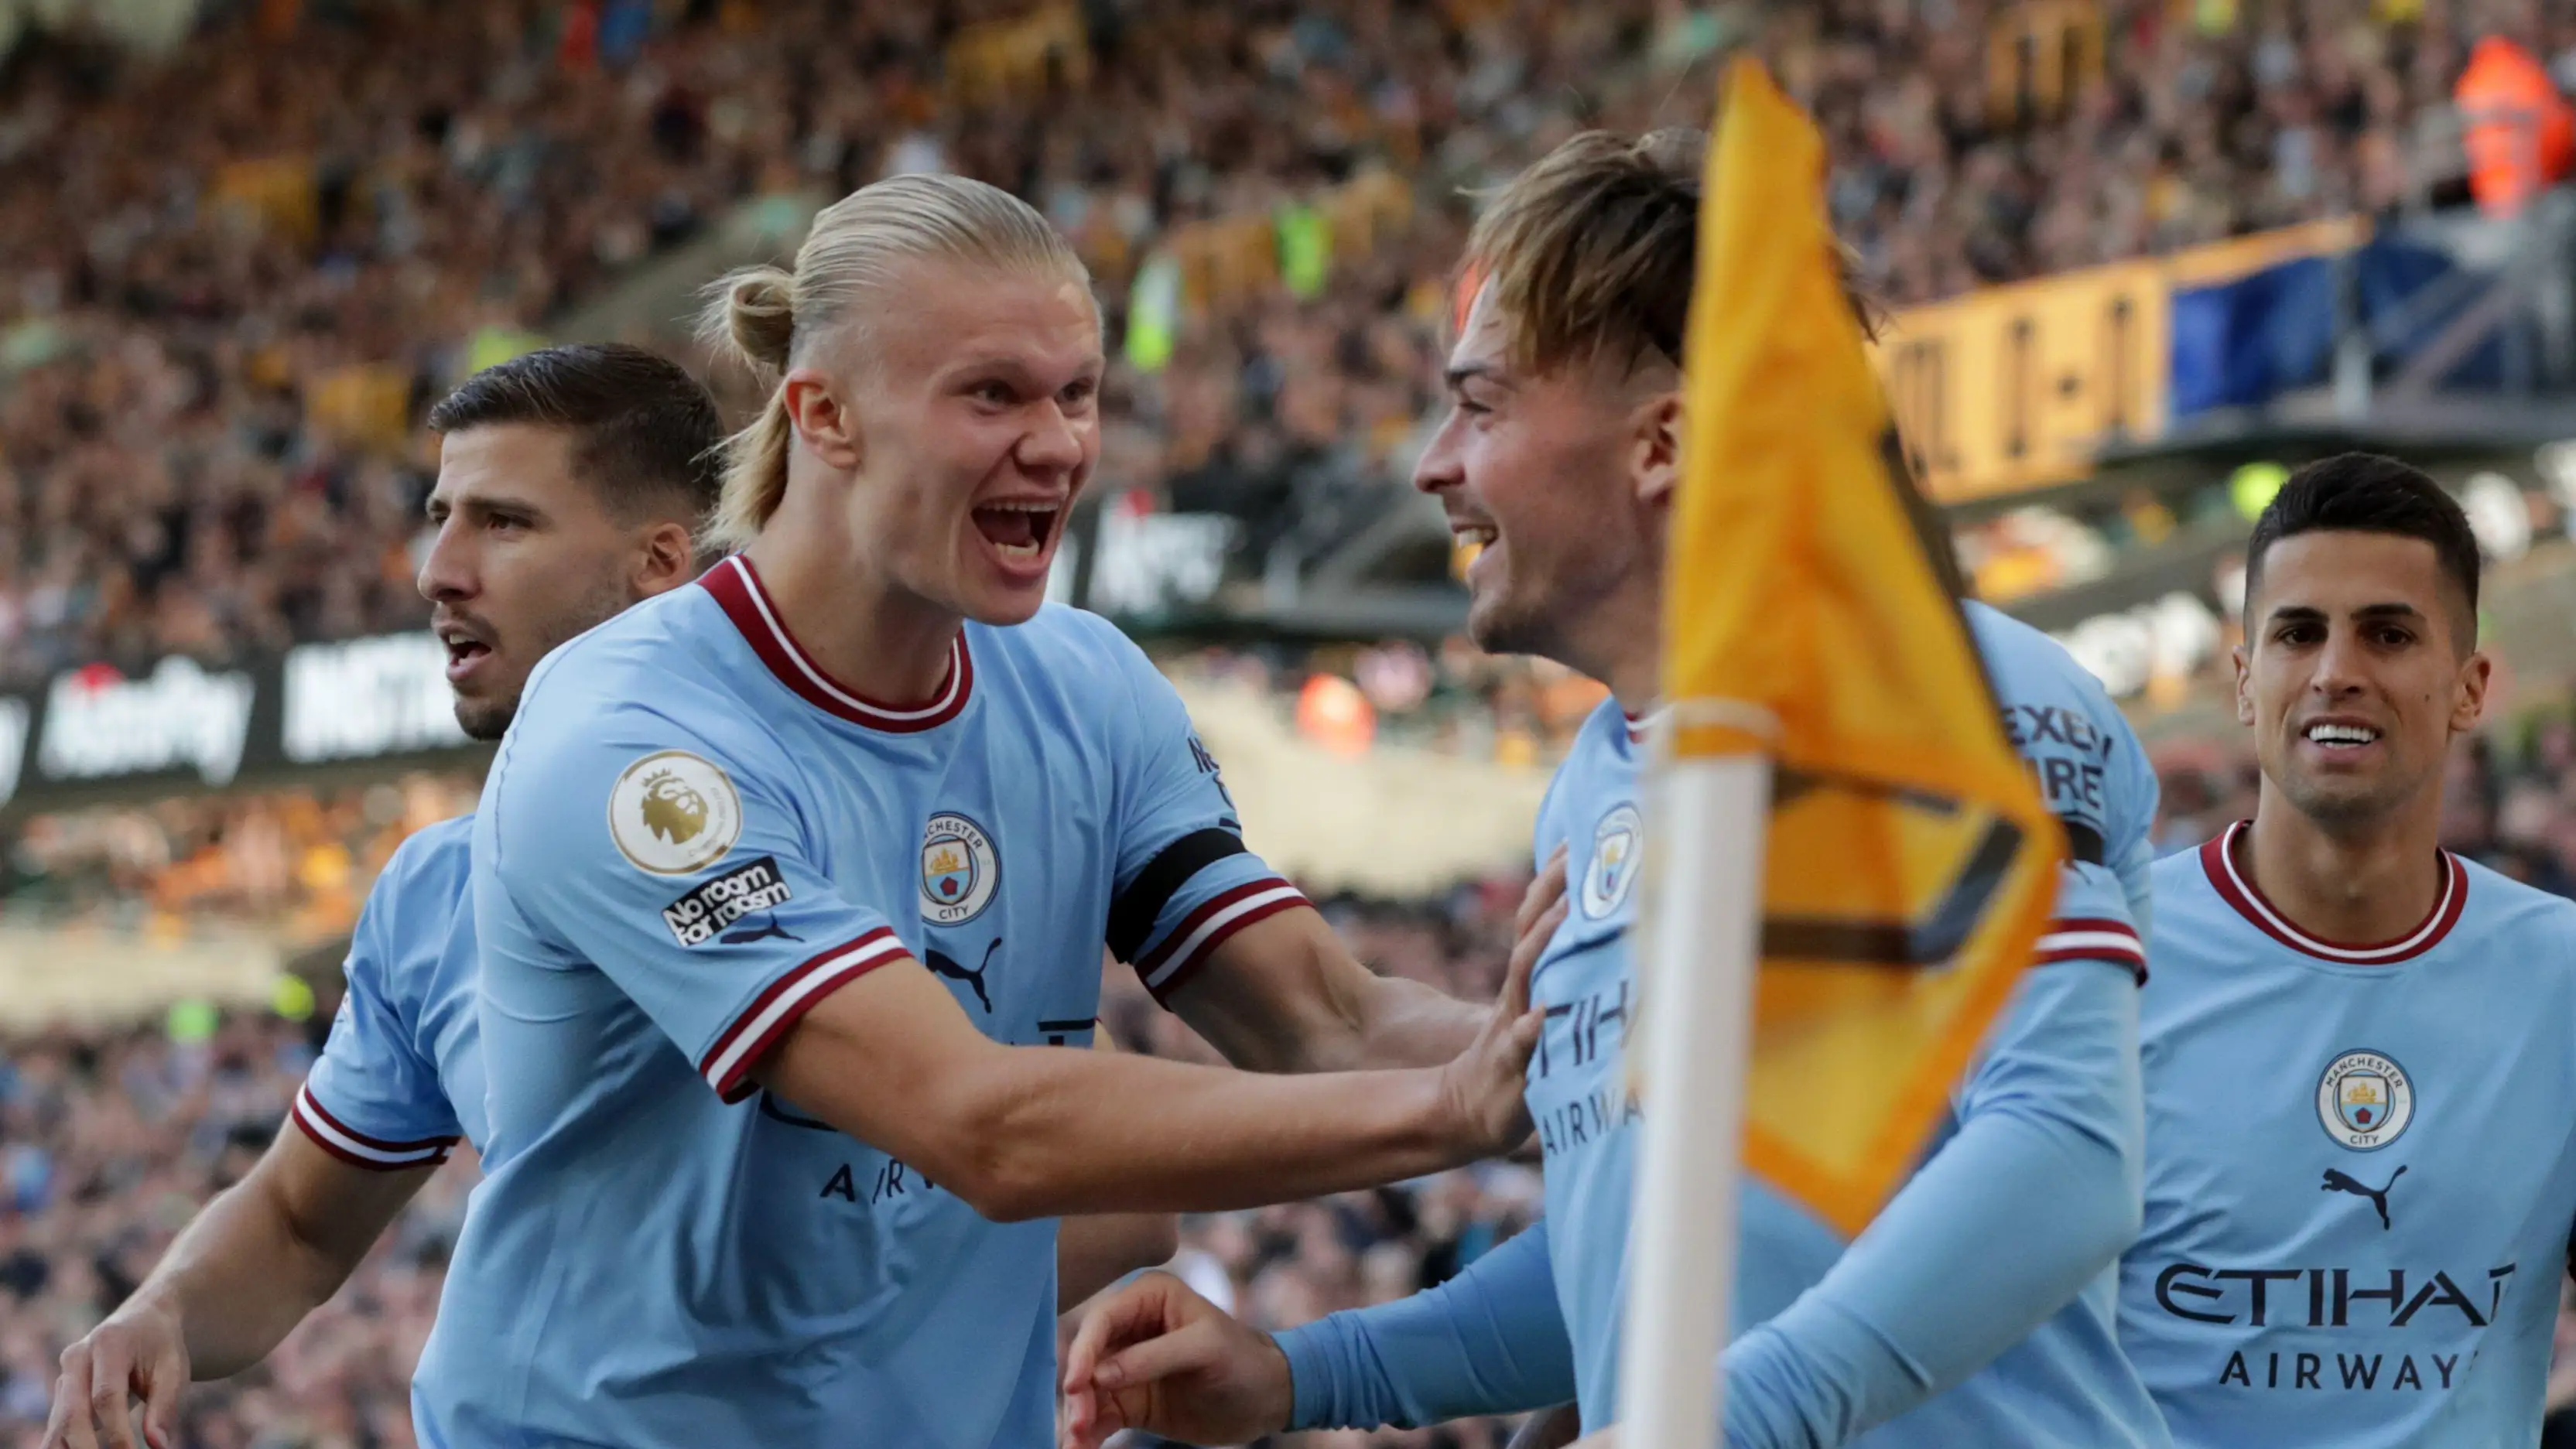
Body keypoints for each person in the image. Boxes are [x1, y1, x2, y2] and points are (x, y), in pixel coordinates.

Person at [1059, 125, 2167, 1449]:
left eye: (1480, 408)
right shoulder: (1596, 781)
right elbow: (1642, 1257)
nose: (1431, 464)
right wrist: (1304, 1371)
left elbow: (2064, 1152)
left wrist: (1725, 1419)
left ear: (1662, 443)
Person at [408, 174, 1553, 1449]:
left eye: (1077, 393)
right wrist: (1462, 1103)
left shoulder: (1085, 684)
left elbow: (1326, 1019)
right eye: (993, 394)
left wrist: (1600, 1051)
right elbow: (978, 1123)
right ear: (825, 416)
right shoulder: (631, 737)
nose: (1058, 443)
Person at [36, 343, 1175, 1449]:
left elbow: (1121, 1202)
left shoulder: (858, 821)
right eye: (440, 516)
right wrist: (161, 1312)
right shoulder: (435, 891)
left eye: (504, 522)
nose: (440, 570)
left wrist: (838, 1337)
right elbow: (295, 1224)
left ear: (661, 562)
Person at [2117, 453, 2576, 1447]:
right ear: (2244, 681)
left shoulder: (2560, 979)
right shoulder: (2106, 961)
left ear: (2469, 688)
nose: (2335, 670)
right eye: (2296, 632)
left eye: (2387, 633)